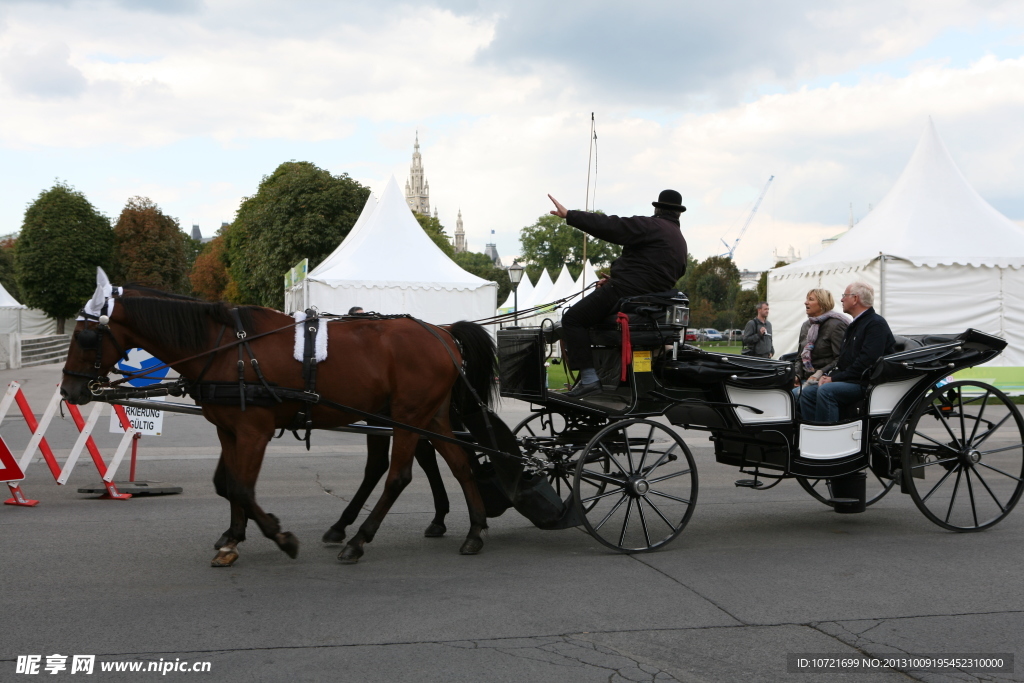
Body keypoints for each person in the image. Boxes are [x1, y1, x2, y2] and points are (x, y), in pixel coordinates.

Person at [548, 190, 688, 398]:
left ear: (657, 208)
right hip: (646, 297)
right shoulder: (680, 240)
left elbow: (613, 226)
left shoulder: (652, 226)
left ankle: (589, 380)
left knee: (573, 319)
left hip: (624, 292)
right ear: (678, 213)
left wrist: (571, 215)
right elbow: (660, 273)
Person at [798, 282, 895, 423]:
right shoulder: (856, 324)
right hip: (852, 379)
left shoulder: (875, 324)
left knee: (826, 391)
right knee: (807, 393)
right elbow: (844, 361)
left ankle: (829, 438)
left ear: (855, 299)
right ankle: (813, 433)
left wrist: (833, 379)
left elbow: (866, 363)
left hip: (866, 383)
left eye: (845, 296)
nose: (842, 299)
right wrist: (827, 376)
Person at [795, 289, 849, 385]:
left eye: (811, 299)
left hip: (824, 379)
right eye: (807, 299)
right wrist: (797, 376)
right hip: (805, 377)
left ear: (822, 304)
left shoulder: (836, 325)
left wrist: (819, 373)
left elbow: (841, 359)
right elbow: (799, 357)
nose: (806, 302)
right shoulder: (806, 325)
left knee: (797, 395)